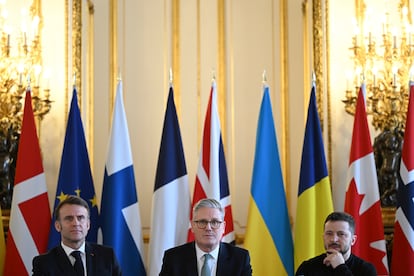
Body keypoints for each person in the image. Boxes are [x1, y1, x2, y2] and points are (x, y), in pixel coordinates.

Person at [159, 198, 252, 276]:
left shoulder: (240, 258)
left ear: (223, 227)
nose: (208, 228)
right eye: (202, 222)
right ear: (192, 226)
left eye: (215, 222)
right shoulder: (173, 258)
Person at [32, 195, 121, 276]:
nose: (75, 223)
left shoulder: (107, 256)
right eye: (69, 218)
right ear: (58, 226)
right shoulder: (43, 263)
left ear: (88, 224)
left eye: (80, 218)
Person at [295, 211, 376, 276]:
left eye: (341, 234)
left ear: (353, 240)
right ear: (323, 237)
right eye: (329, 233)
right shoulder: (307, 268)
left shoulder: (366, 269)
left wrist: (340, 267)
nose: (334, 239)